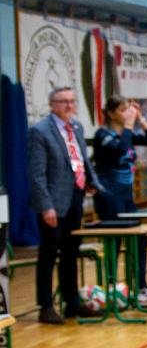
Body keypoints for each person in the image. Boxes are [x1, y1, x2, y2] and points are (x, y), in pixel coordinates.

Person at [27, 87, 102, 324]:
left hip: (75, 199)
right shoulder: (40, 131)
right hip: (53, 203)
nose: (69, 105)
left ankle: (72, 302)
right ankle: (45, 306)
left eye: (72, 101)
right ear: (52, 105)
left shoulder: (76, 127)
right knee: (48, 254)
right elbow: (36, 174)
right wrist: (46, 206)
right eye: (64, 101)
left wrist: (90, 181)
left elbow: (79, 159)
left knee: (71, 252)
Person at [92, 95, 147, 304]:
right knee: (114, 242)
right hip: (109, 196)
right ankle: (111, 288)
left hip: (126, 196)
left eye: (128, 109)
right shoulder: (103, 135)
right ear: (111, 113)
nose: (127, 113)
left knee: (139, 239)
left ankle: (140, 286)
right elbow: (120, 148)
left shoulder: (127, 133)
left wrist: (140, 119)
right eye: (123, 109)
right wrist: (129, 125)